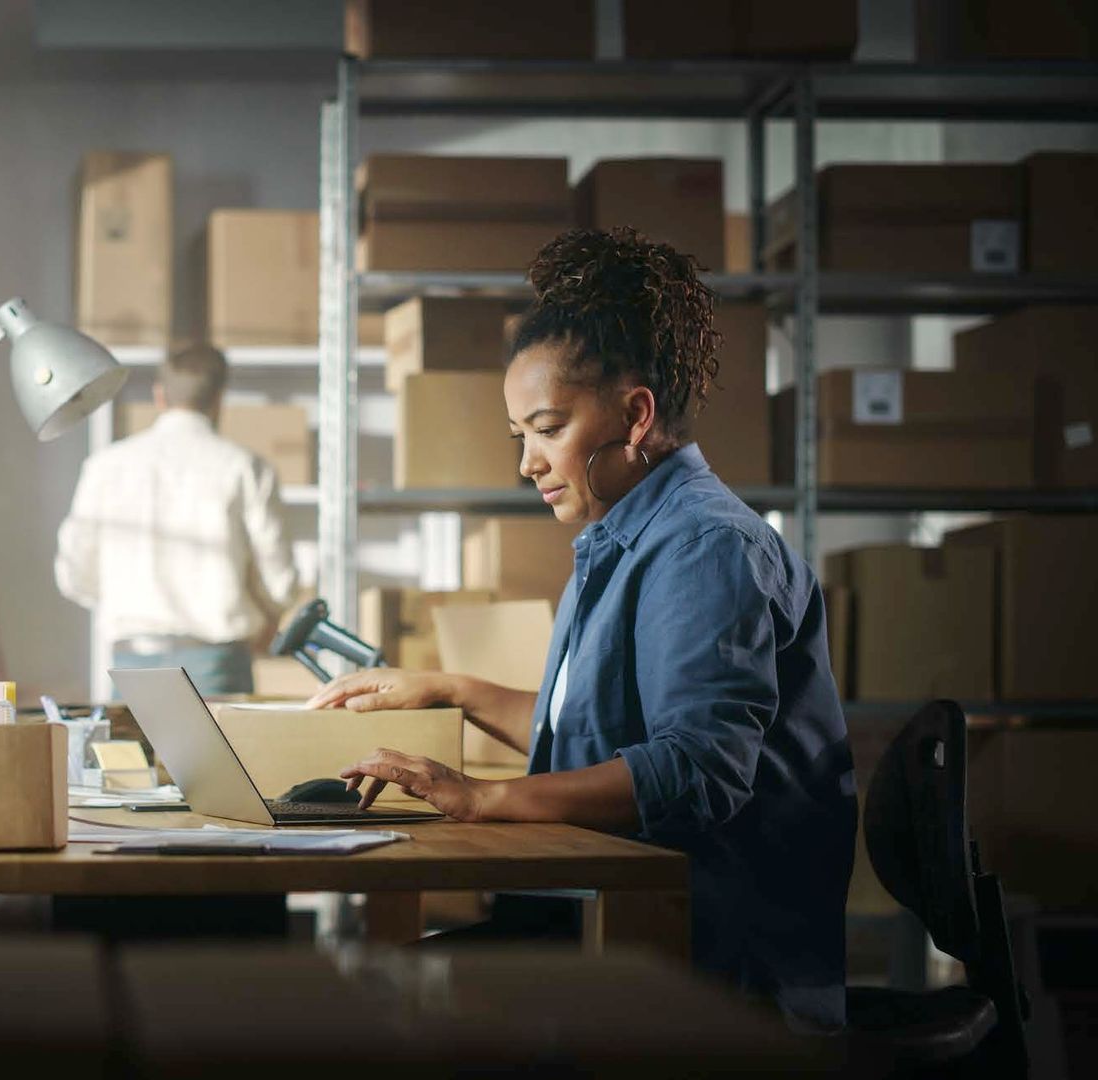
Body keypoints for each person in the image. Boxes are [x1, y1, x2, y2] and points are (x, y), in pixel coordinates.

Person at [310, 227, 856, 1030]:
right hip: (614, 923)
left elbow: (698, 771)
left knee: (369, 1014)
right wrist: (450, 690)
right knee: (367, 996)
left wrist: (485, 798)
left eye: (547, 428)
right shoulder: (629, 536)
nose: (527, 462)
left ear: (636, 414)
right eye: (520, 436)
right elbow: (599, 733)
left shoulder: (705, 549)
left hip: (707, 961)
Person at [55, 342, 297, 696]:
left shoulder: (105, 467)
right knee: (219, 754)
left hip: (131, 662)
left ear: (159, 396)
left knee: (130, 753)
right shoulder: (244, 467)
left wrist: (123, 598)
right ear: (218, 399)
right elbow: (279, 576)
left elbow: (74, 573)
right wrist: (270, 613)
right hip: (215, 661)